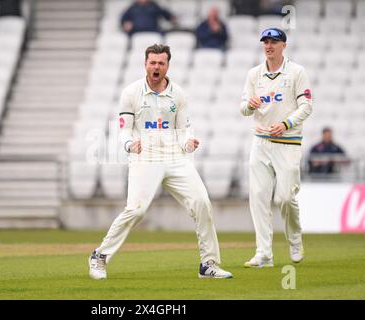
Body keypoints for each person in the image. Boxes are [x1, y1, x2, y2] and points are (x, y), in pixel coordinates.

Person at [88, 44, 233, 280]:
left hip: (175, 156)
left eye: (161, 63)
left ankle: (209, 264)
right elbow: (124, 131)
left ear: (168, 66)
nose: (156, 67)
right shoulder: (131, 93)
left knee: (202, 203)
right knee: (136, 210)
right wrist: (129, 145)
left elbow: (184, 129)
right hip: (145, 156)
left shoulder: (179, 94)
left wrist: (189, 143)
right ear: (145, 64)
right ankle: (99, 256)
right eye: (152, 62)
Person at [240, 28, 313, 267]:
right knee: (259, 197)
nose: (269, 46)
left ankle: (294, 239)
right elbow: (243, 108)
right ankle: (264, 254)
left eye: (274, 42)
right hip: (260, 142)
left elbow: (306, 106)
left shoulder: (296, 72)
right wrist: (249, 105)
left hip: (288, 143)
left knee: (284, 198)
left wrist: (285, 124)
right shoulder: (254, 74)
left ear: (284, 45)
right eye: (266, 42)